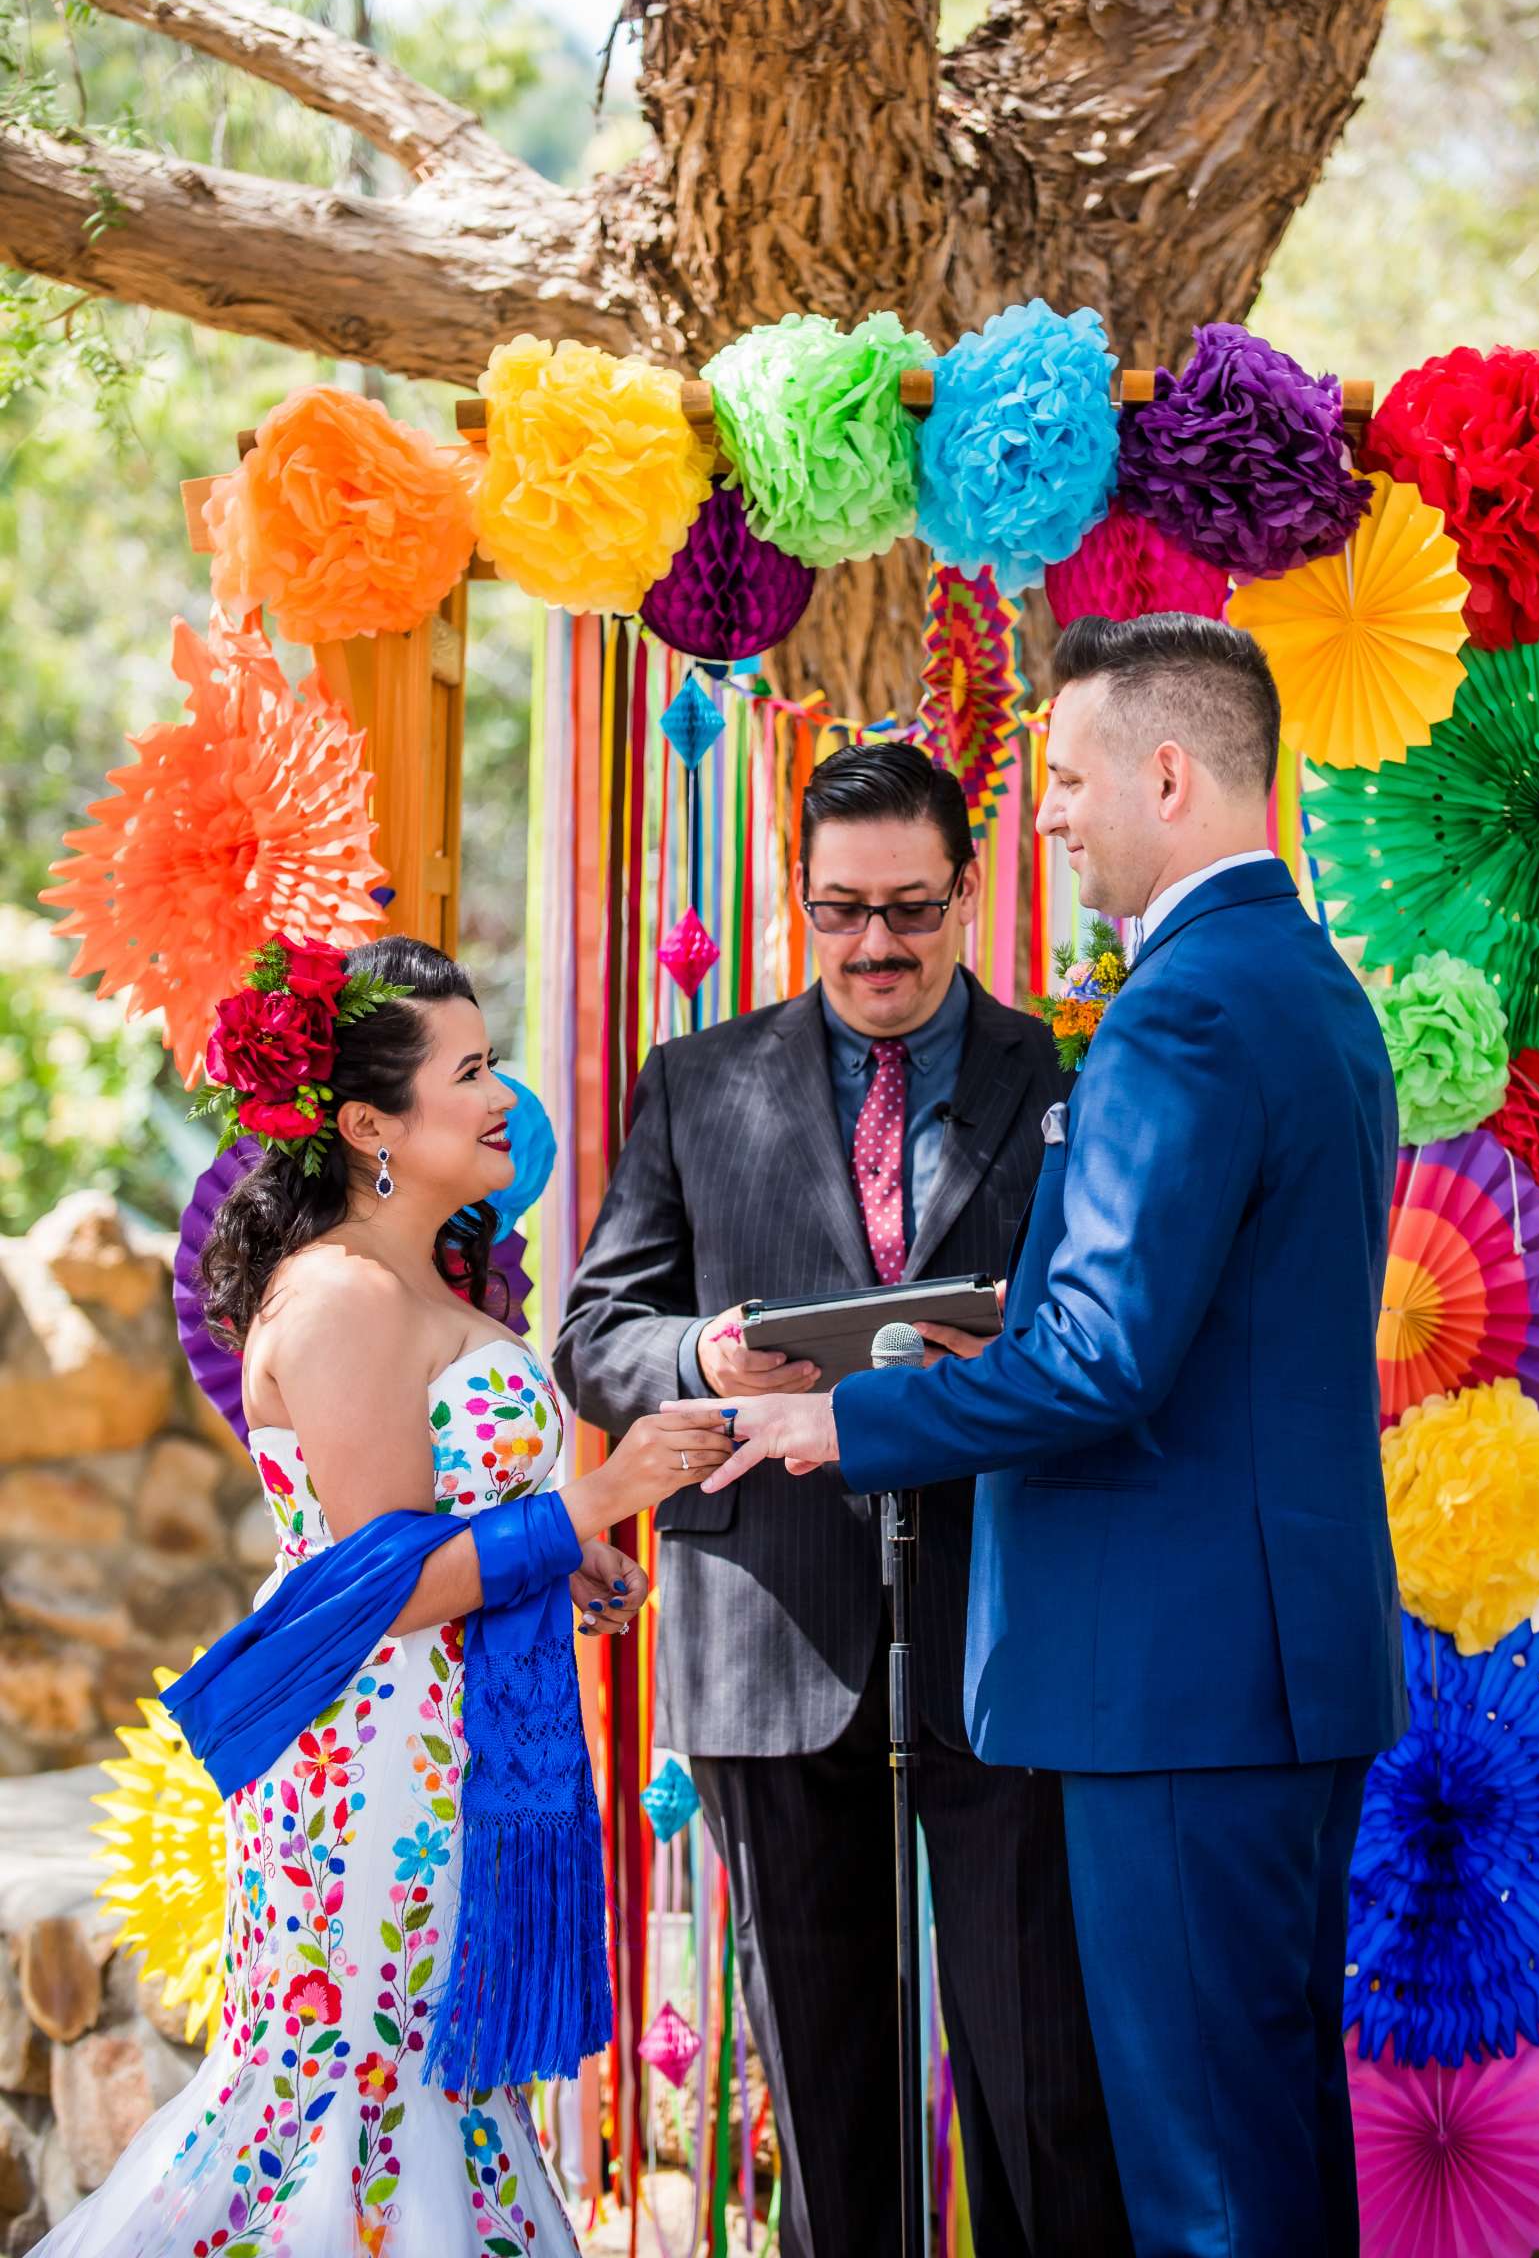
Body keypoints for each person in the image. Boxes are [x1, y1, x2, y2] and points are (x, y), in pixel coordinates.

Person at [669, 616, 1409, 2258]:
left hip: (1177, 1683)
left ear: (1166, 772)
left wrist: (838, 1418)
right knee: (1267, 2139)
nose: (1050, 814)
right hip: (1260, 1668)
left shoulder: (1183, 1010)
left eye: (1066, 779)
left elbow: (1100, 1366)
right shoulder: (1302, 982)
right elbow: (1198, 1324)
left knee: (1204, 2185)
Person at [38, 935, 734, 2258]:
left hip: (441, 1747)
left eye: (491, 1063)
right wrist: (592, 1499)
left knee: (434, 2086)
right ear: (369, 1124)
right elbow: (384, 1578)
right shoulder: (346, 1297)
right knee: (349, 2084)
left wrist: (561, 1561)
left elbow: (451, 1532)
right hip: (366, 1773)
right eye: (467, 1073)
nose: (497, 1099)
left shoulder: (424, 1280)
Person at [556, 743, 1129, 2258]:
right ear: (796, 897)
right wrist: (706, 1350)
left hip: (1009, 1620)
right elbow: (595, 1335)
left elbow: (1110, 1326)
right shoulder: (696, 1081)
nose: (876, 945)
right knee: (815, 2083)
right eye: (840, 911)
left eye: (910, 910)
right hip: (766, 1625)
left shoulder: (1065, 1073)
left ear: (967, 887)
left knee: (1040, 2077)